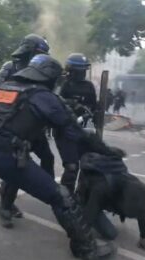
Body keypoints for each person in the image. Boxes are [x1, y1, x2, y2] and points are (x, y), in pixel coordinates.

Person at [0, 54, 117, 260]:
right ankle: (90, 252)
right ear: (49, 78)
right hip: (7, 153)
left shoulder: (3, 87)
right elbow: (77, 133)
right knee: (60, 196)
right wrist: (108, 151)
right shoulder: (45, 96)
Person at [0, 34, 54, 226]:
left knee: (48, 158)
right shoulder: (9, 68)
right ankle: (5, 205)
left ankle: (49, 192)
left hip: (35, 126)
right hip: (14, 126)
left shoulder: (42, 72)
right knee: (18, 165)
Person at [76, 152, 145, 252]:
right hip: (89, 193)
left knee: (137, 211)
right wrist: (81, 240)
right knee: (110, 234)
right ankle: (77, 209)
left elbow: (142, 212)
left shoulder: (140, 190)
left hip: (111, 198)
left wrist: (144, 238)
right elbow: (89, 215)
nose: (135, 214)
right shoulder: (101, 189)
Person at [57, 53, 97, 194]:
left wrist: (90, 113)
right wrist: (72, 105)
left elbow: (93, 106)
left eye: (84, 71)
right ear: (71, 70)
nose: (82, 74)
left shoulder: (89, 86)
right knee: (71, 167)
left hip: (83, 129)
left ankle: (81, 195)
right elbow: (55, 102)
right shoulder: (63, 85)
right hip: (64, 130)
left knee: (87, 164)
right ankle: (65, 198)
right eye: (80, 71)